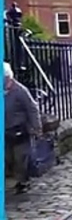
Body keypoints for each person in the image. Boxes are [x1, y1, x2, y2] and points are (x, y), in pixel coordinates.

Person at [4, 62, 41, 193]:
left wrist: (36, 128)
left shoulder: (20, 91)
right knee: (8, 157)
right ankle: (15, 179)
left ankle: (23, 181)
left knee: (20, 157)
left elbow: (32, 109)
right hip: (6, 130)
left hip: (20, 129)